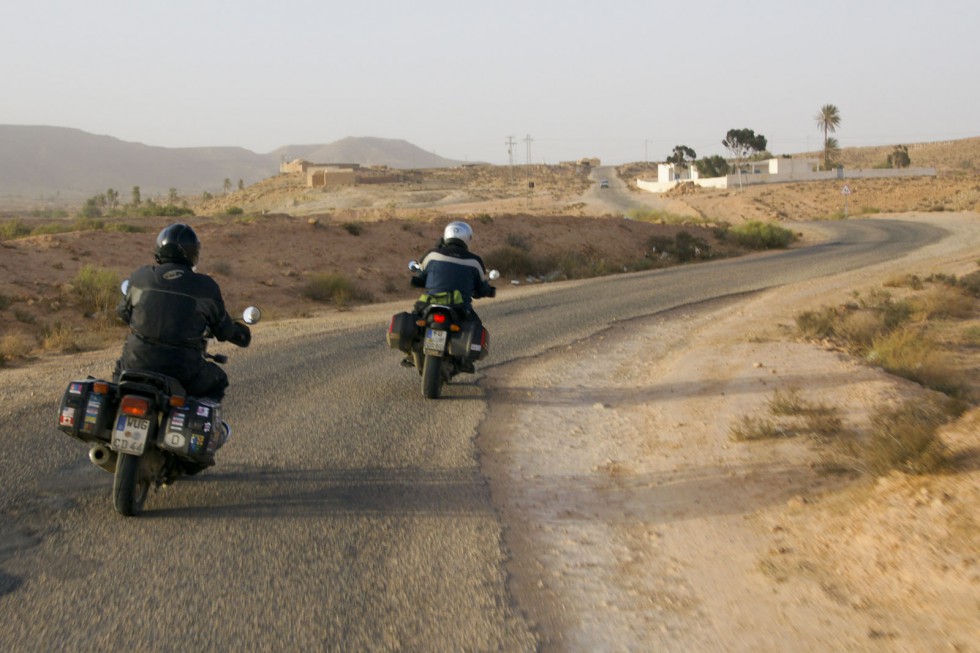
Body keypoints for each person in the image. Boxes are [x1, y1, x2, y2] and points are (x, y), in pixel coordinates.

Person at [113, 223, 251, 401]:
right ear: (192, 253)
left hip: (135, 362)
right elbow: (223, 329)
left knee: (118, 383)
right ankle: (198, 427)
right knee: (218, 381)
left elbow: (123, 313)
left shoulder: (141, 276)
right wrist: (239, 333)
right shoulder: (205, 287)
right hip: (182, 370)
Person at [406, 220, 495, 372]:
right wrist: (489, 290)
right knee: (475, 325)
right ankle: (465, 359)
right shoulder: (475, 261)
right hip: (459, 306)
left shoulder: (432, 254)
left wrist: (417, 280)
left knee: (415, 318)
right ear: (467, 238)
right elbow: (480, 288)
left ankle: (410, 352)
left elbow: (420, 276)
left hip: (430, 302)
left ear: (446, 235)